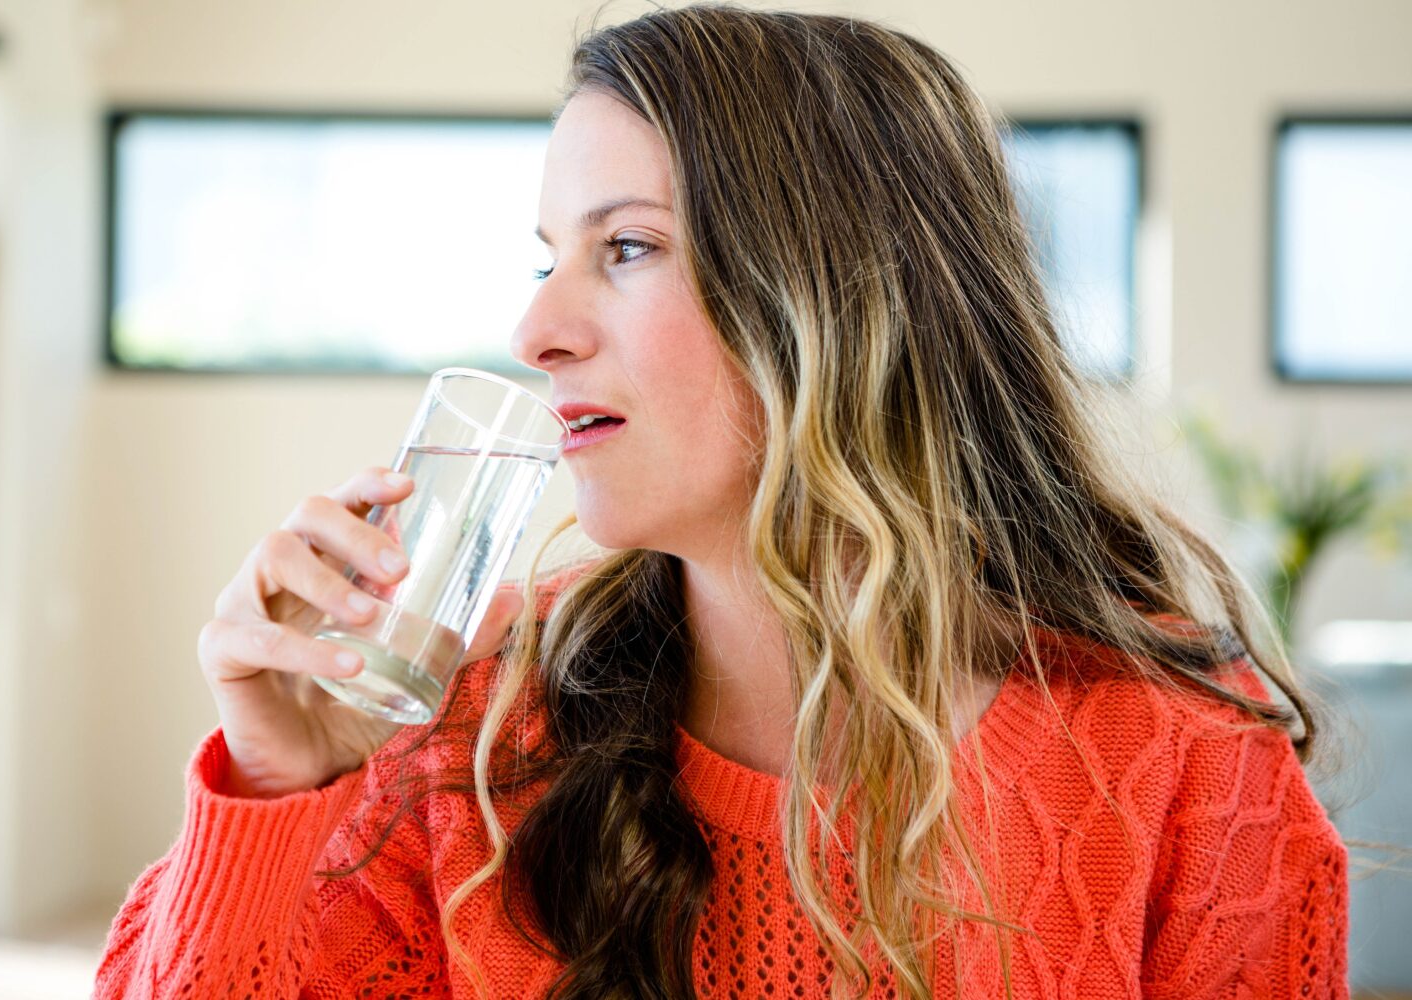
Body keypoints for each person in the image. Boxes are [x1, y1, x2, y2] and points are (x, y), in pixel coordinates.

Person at [91, 6, 1350, 999]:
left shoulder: (1187, 767)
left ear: (843, 301)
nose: (534, 328)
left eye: (624, 248)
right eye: (546, 259)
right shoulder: (466, 726)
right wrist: (273, 784)